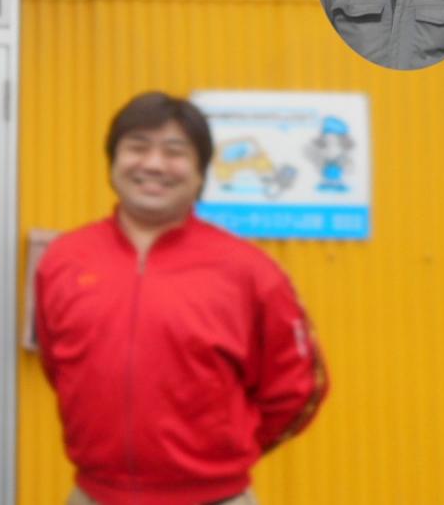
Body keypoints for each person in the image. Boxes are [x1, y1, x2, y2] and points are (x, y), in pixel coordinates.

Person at [36, 92, 327, 505]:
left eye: (175, 152)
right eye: (137, 147)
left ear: (200, 172)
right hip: (95, 495)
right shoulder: (64, 259)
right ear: (113, 161)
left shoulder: (250, 271)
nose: (154, 164)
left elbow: (297, 389)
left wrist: (222, 453)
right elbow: (59, 367)